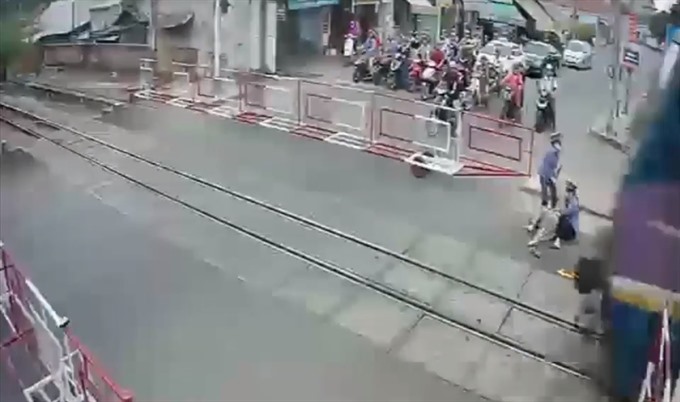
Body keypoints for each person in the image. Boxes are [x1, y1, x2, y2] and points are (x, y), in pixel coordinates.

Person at [526, 132, 562, 232]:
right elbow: (547, 168)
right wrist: (551, 177)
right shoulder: (552, 153)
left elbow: (554, 167)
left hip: (548, 174)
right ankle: (545, 203)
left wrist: (555, 173)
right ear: (555, 144)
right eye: (558, 145)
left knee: (553, 189)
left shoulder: (556, 153)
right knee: (546, 189)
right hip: (545, 174)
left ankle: (552, 203)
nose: (560, 147)